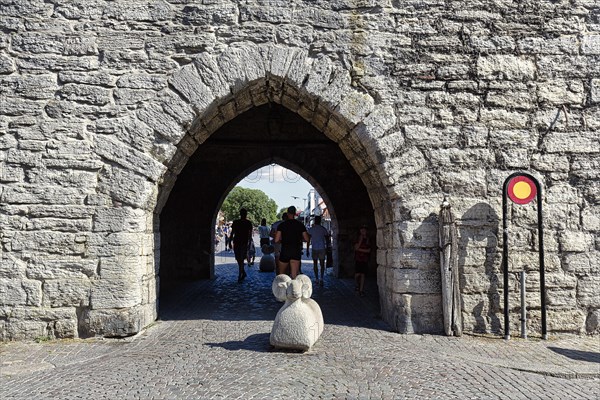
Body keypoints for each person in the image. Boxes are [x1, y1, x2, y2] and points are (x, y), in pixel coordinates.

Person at [275, 206, 309, 278]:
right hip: (296, 251)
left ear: (287, 213)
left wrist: (283, 241)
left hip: (285, 251)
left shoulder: (282, 225)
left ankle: (283, 288)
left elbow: (276, 240)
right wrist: (300, 239)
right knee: (294, 277)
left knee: (282, 276)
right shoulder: (300, 225)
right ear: (295, 213)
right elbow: (307, 239)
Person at [230, 209, 253, 282]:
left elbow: (250, 234)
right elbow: (232, 232)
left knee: (241, 258)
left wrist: (249, 243)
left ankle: (240, 276)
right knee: (238, 258)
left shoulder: (247, 223)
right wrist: (230, 241)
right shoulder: (238, 222)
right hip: (238, 242)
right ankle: (243, 272)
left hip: (242, 243)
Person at [307, 216, 329, 286]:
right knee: (322, 264)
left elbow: (308, 240)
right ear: (320, 221)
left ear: (315, 221)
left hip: (314, 248)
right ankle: (321, 278)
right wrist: (328, 247)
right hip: (322, 248)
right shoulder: (323, 229)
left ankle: (316, 278)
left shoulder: (311, 230)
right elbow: (327, 239)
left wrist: (307, 249)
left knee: (315, 264)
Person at [354, 225, 371, 297]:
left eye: (364, 230)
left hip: (365, 259)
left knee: (363, 274)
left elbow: (369, 250)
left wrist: (360, 250)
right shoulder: (357, 238)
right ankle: (357, 285)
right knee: (357, 274)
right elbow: (356, 247)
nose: (363, 232)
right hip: (358, 258)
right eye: (361, 230)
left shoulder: (368, 239)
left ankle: (361, 290)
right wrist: (360, 240)